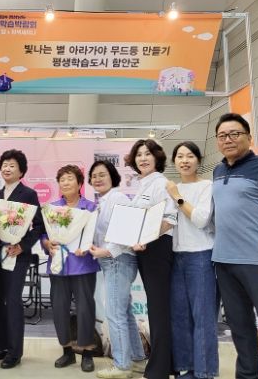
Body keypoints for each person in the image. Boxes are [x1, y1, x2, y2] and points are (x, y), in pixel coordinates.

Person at [212, 113, 258, 378]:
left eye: (235, 134)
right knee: (240, 328)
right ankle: (247, 375)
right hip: (224, 261)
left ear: (249, 138)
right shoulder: (217, 171)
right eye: (222, 135)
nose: (228, 139)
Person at [88, 160, 147, 379]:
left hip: (117, 260)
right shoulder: (103, 202)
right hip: (114, 261)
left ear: (112, 176)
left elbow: (127, 229)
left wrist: (106, 251)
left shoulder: (118, 198)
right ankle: (138, 360)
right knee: (124, 312)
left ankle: (122, 366)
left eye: (102, 174)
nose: (98, 179)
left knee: (115, 314)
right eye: (94, 175)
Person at [165, 142, 218, 379]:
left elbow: (200, 219)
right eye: (180, 156)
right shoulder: (171, 188)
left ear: (199, 160)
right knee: (180, 316)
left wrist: (177, 197)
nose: (184, 161)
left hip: (201, 256)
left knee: (203, 317)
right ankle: (186, 368)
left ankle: (204, 371)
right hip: (177, 257)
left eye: (189, 156)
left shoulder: (207, 186)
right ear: (174, 161)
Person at [125, 139, 177, 379]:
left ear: (157, 157)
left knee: (158, 309)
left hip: (157, 248)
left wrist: (145, 237)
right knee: (157, 308)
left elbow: (169, 220)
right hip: (145, 249)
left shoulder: (161, 183)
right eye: (139, 154)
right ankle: (167, 363)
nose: (143, 158)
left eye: (147, 154)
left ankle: (159, 368)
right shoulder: (143, 184)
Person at [0, 149, 44, 369]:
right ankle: (2, 346)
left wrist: (22, 246)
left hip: (18, 255)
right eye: (4, 165)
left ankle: (15, 351)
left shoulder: (28, 194)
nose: (7, 168)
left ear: (21, 171)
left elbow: (38, 225)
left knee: (12, 301)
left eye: (12, 165)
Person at [40, 165, 98, 372]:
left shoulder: (90, 208)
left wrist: (88, 247)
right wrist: (47, 243)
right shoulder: (51, 208)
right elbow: (44, 235)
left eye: (70, 178)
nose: (65, 182)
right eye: (62, 179)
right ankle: (67, 351)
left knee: (85, 309)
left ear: (80, 183)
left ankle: (87, 352)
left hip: (83, 265)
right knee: (59, 308)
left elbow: (95, 235)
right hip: (59, 264)